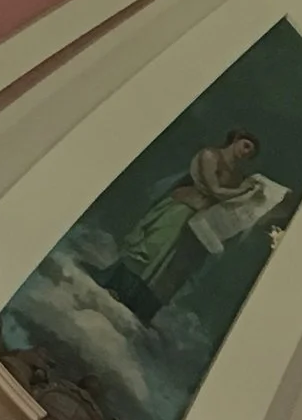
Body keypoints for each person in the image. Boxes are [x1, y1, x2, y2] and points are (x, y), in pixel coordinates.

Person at [94, 131, 270, 317]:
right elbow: (215, 190)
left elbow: (229, 202)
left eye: (250, 153)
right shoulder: (210, 156)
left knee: (170, 264)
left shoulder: (237, 175)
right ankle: (115, 285)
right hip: (182, 207)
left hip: (201, 221)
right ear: (235, 140)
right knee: (153, 247)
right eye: (246, 146)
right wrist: (242, 192)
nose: (246, 153)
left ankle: (136, 303)